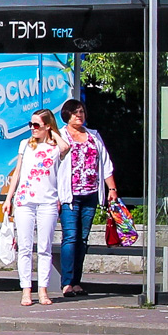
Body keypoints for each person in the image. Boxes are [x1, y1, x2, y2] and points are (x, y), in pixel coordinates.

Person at [3, 109, 71, 306]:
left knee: (45, 248)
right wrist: (9, 198)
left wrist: (53, 132)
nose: (32, 129)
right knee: (24, 247)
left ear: (47, 126)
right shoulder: (25, 144)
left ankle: (43, 290)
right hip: (25, 200)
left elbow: (66, 147)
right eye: (30, 125)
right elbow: (17, 172)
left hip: (48, 201)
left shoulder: (54, 147)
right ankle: (26, 289)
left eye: (36, 125)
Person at [57, 98, 119, 298]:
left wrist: (112, 189)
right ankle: (66, 282)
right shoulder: (60, 135)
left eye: (82, 112)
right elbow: (52, 165)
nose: (79, 115)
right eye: (75, 112)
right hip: (69, 196)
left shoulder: (93, 135)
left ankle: (76, 282)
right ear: (67, 115)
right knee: (70, 237)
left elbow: (105, 163)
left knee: (82, 239)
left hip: (90, 194)